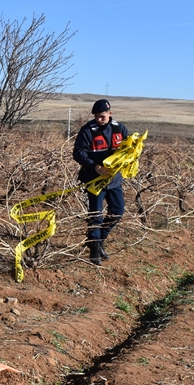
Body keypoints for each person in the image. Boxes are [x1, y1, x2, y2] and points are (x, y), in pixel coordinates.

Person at [73, 98, 129, 265]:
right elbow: (78, 153)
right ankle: (95, 251)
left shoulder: (120, 129)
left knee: (117, 211)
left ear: (110, 113)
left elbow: (128, 150)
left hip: (114, 180)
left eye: (102, 116)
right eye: (96, 116)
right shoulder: (87, 130)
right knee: (96, 215)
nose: (99, 119)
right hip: (94, 179)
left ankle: (98, 240)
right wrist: (95, 167)